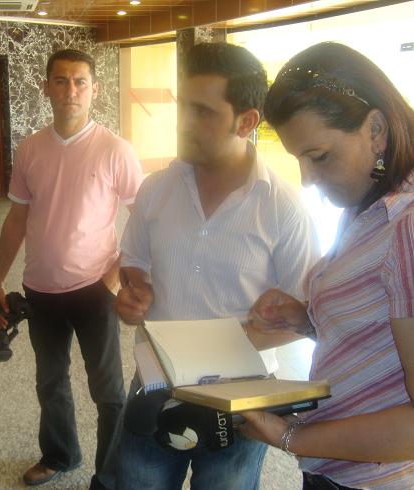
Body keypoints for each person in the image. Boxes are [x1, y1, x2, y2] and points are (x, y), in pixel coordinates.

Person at [114, 42, 320, 490]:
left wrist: (233, 341)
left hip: (241, 398)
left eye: (202, 112)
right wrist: (133, 291)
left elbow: (309, 315)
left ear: (246, 121)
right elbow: (132, 262)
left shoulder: (283, 209)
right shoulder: (156, 189)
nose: (183, 122)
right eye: (183, 106)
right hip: (156, 381)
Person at [241, 42, 414, 490]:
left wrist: (290, 436)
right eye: (298, 158)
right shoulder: (368, 203)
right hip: (338, 467)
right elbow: (379, 335)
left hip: (375, 478)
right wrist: (307, 318)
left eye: (319, 157)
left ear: (376, 130)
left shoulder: (406, 224)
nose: (306, 179)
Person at [0, 49, 143, 489]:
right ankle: (60, 454)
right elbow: (16, 219)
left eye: (79, 82)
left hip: (96, 289)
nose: (70, 90)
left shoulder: (116, 150)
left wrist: (114, 277)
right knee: (50, 382)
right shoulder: (31, 148)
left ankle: (110, 475)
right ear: (46, 87)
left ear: (94, 90)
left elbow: (144, 223)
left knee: (108, 391)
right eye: (60, 81)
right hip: (41, 288)